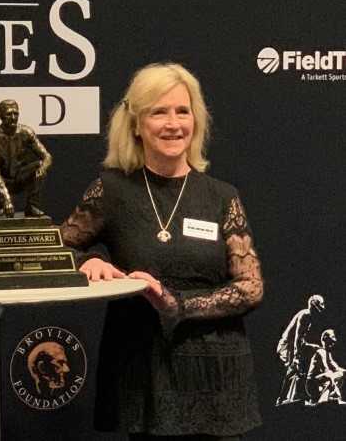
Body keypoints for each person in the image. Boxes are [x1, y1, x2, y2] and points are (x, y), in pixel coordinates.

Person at [61, 62, 264, 440]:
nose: (173, 124)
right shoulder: (111, 191)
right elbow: (55, 250)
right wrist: (90, 260)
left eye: (182, 111)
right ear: (136, 124)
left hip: (214, 376)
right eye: (159, 111)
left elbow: (251, 287)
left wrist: (175, 303)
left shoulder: (223, 197)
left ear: (196, 121)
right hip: (144, 373)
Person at [0, 99, 52, 217]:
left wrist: (43, 168)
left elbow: (47, 156)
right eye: (9, 114)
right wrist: (7, 199)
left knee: (39, 166)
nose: (13, 117)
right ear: (0, 116)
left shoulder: (26, 132)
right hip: (2, 181)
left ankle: (32, 206)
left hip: (20, 177)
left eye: (15, 113)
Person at [276, 294, 325, 405]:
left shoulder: (308, 316)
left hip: (291, 346)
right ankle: (283, 398)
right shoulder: (306, 315)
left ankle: (291, 396)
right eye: (319, 306)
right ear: (313, 305)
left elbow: (300, 340)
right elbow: (297, 338)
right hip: (287, 346)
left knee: (298, 370)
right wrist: (296, 357)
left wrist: (312, 346)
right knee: (293, 369)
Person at [305, 329, 345, 406]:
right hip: (312, 384)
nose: (334, 340)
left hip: (320, 382)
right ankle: (322, 401)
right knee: (329, 375)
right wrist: (336, 389)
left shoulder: (328, 353)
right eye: (332, 337)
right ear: (325, 339)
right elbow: (326, 369)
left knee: (340, 374)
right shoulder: (320, 352)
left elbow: (336, 367)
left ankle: (328, 396)